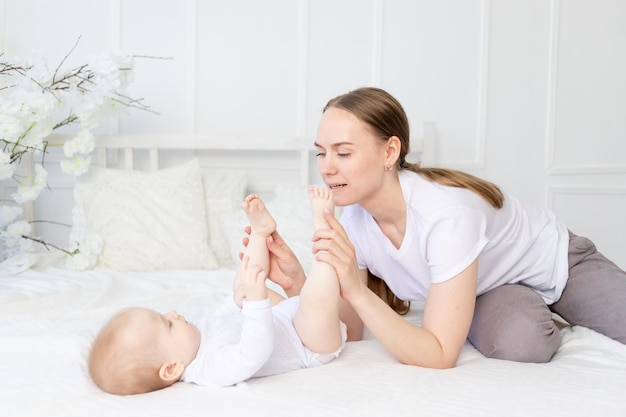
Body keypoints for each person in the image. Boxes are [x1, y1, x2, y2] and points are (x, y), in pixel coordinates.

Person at [244, 86, 626, 369]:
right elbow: (348, 331)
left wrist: (358, 291)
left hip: (556, 261)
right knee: (523, 343)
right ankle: (536, 312)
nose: (327, 167)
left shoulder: (445, 214)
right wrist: (299, 283)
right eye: (321, 152)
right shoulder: (356, 222)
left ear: (390, 152)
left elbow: (437, 354)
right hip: (489, 286)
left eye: (343, 153)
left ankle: (558, 302)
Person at [88, 188, 346, 395]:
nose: (173, 313)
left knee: (243, 287)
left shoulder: (194, 337)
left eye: (163, 313)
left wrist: (239, 300)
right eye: (167, 324)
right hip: (309, 344)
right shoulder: (209, 368)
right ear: (171, 369)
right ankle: (324, 231)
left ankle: (260, 232)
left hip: (286, 319)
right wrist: (256, 302)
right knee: (314, 298)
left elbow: (225, 318)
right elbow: (254, 352)